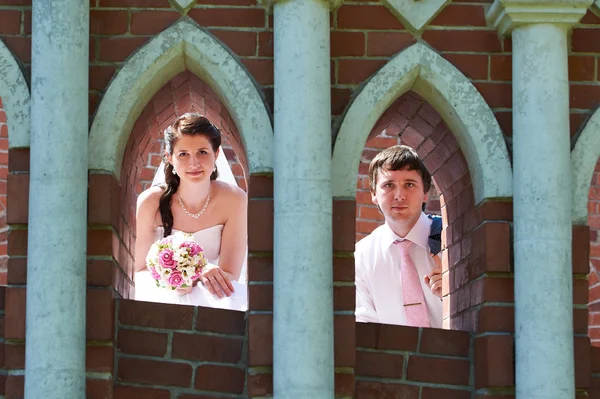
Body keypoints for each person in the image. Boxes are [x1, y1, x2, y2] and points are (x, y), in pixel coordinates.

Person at [134, 113, 247, 310]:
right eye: (183, 154)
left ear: (216, 154)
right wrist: (177, 279)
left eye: (202, 152)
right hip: (157, 296)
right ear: (170, 158)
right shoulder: (149, 203)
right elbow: (139, 270)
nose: (193, 164)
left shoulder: (235, 200)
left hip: (213, 300)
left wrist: (198, 276)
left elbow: (230, 274)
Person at [355, 145, 443, 327]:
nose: (399, 195)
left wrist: (454, 295)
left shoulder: (452, 237)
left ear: (426, 193)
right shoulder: (362, 255)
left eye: (409, 184)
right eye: (389, 185)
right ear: (373, 194)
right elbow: (364, 326)